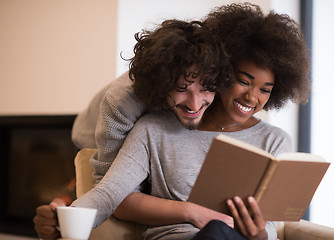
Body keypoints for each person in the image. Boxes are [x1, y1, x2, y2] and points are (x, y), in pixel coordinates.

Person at [68, 2, 310, 240]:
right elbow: (110, 193)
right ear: (222, 72)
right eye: (244, 81)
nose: (252, 97)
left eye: (265, 90)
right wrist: (64, 217)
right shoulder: (153, 129)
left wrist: (258, 235)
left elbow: (269, 228)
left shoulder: (276, 141)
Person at [33, 19, 231, 240]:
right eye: (181, 89)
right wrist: (62, 218)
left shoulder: (214, 83)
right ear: (163, 84)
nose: (195, 105)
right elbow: (108, 191)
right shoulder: (122, 104)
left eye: (205, 89)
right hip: (88, 132)